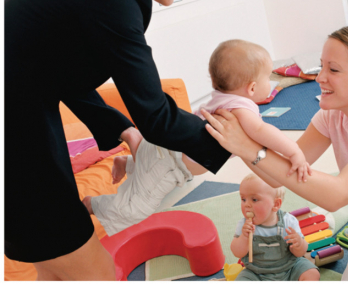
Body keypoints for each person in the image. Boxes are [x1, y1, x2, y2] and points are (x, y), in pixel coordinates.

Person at [5, 0, 232, 280]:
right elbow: (154, 111)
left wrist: (125, 130)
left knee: (50, 259)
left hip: (23, 113)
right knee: (88, 264)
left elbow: (55, 73)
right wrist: (238, 145)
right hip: (17, 127)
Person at [201, 25, 348, 281]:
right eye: (321, 66)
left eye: (333, 69)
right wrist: (240, 140)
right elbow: (276, 176)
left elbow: (338, 194)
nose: (320, 77)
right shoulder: (332, 115)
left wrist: (247, 147)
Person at [82, 39, 310, 236]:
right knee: (137, 208)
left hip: (163, 153)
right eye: (266, 78)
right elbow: (261, 131)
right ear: (251, 88)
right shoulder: (242, 107)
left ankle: (129, 162)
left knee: (148, 172)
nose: (270, 83)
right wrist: (294, 151)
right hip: (169, 164)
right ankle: (93, 204)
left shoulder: (219, 99)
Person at [231, 173, 320, 281]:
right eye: (243, 199)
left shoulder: (288, 221)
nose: (247, 205)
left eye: (254, 200)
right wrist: (244, 237)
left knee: (312, 273)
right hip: (256, 273)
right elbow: (237, 252)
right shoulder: (243, 225)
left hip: (290, 267)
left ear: (276, 204)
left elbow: (301, 252)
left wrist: (299, 244)